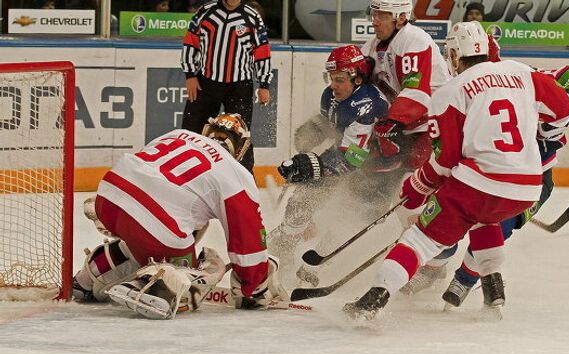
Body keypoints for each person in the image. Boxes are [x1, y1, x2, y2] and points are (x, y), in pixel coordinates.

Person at [343, 21, 569, 320]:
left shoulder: (450, 91)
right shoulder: (521, 72)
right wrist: (544, 132)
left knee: (419, 239)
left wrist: (417, 186)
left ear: (453, 55)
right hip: (527, 187)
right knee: (484, 219)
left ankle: (372, 302)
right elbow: (564, 106)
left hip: (479, 184)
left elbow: (446, 161)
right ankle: (494, 293)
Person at [72, 113, 286, 318]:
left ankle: (91, 275)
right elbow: (247, 243)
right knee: (210, 265)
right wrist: (254, 287)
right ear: (241, 148)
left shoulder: (178, 134)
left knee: (186, 224)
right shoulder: (236, 174)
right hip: (156, 222)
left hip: (109, 196)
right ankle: (157, 286)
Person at [440, 38, 569, 308]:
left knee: (501, 225)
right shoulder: (461, 88)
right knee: (447, 217)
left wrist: (552, 130)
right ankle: (431, 270)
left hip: (530, 176)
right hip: (483, 171)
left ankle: (465, 278)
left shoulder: (523, 77)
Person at [267, 45, 392, 284]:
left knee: (351, 217)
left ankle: (318, 268)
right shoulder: (332, 95)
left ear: (356, 78)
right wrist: (313, 132)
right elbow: (335, 127)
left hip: (379, 170)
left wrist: (314, 165)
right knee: (303, 198)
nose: (333, 85)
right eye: (331, 78)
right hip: (350, 157)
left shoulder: (367, 105)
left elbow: (353, 158)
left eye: (340, 80)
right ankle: (285, 245)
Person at [181, 0, 272, 173]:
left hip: (239, 87)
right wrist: (190, 75)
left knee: (240, 138)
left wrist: (264, 84)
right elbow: (191, 42)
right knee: (191, 132)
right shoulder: (205, 12)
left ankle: (244, 181)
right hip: (206, 84)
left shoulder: (252, 17)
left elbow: (262, 51)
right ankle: (185, 175)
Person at [362, 0, 449, 171]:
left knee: (417, 174)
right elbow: (353, 81)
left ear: (401, 18)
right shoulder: (373, 45)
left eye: (381, 15)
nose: (374, 21)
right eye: (374, 14)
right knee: (368, 175)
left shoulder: (415, 39)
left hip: (433, 124)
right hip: (402, 124)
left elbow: (417, 91)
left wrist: (392, 122)